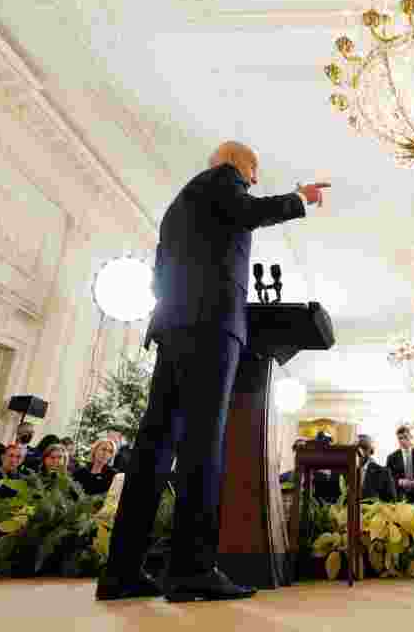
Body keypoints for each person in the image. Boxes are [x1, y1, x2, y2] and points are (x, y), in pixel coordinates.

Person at [97, 141, 329, 603]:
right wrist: (299, 198)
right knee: (204, 444)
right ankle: (191, 570)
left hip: (175, 327)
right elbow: (249, 211)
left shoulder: (181, 205)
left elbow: (164, 272)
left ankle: (122, 572)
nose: (255, 177)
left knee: (154, 450)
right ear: (239, 163)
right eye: (254, 168)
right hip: (209, 329)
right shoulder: (221, 181)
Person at [386, 426, 414, 504]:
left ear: (410, 437)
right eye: (400, 438)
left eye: (405, 437)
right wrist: (399, 481)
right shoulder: (392, 457)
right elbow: (388, 479)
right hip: (401, 495)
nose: (403, 441)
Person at [356, 434, 397, 502]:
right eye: (357, 448)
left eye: (364, 447)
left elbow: (391, 503)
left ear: (371, 451)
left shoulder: (383, 473)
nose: (360, 452)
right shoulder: (342, 471)